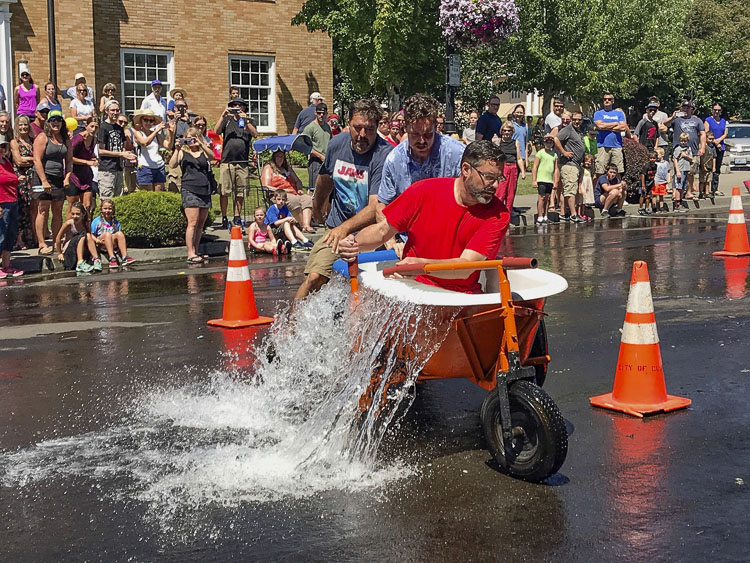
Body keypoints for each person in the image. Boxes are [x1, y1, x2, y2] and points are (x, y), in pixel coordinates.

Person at [338, 140, 510, 294]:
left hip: (461, 297)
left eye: (499, 178)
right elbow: (382, 231)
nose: (495, 185)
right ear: (466, 169)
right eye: (489, 177)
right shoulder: (422, 192)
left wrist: (420, 265)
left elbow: (466, 266)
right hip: (413, 287)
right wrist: (354, 244)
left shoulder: (498, 214)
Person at [294, 98, 393, 301]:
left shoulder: (384, 155)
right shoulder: (337, 144)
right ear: (348, 124)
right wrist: (317, 207)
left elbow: (375, 206)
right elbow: (324, 179)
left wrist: (345, 229)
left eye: (370, 129)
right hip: (337, 229)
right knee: (314, 277)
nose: (363, 135)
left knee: (366, 291)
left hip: (369, 234)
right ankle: (292, 328)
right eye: (358, 128)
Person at [168, 126, 214, 264]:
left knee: (201, 223)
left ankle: (196, 250)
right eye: (188, 138)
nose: (191, 141)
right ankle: (190, 253)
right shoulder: (183, 152)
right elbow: (172, 164)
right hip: (190, 188)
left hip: (204, 188)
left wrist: (202, 145)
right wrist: (176, 148)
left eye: (193, 138)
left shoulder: (203, 151)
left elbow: (212, 157)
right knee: (192, 222)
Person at [32, 110, 72, 254]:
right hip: (43, 177)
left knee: (57, 210)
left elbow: (69, 161)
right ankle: (42, 243)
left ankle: (56, 241)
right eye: (53, 120)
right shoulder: (42, 137)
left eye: (59, 120)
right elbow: (36, 159)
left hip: (58, 178)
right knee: (43, 210)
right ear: (48, 123)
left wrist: (67, 177)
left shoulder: (65, 139)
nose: (56, 123)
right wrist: (43, 180)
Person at [215, 97, 257, 229]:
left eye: (240, 106)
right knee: (224, 191)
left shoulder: (249, 121)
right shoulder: (227, 120)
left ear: (244, 108)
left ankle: (237, 216)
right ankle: (224, 217)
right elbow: (216, 131)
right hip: (227, 161)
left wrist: (245, 120)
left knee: (241, 192)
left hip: (242, 162)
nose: (237, 108)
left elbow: (255, 134)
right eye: (234, 105)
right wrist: (223, 115)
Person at [260, 149, 313, 232]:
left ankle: (307, 225)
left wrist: (299, 189)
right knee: (294, 200)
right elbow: (266, 186)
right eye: (278, 156)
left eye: (282, 157)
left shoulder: (287, 168)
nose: (280, 159)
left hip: (293, 192)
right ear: (274, 157)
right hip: (278, 194)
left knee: (307, 198)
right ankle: (302, 225)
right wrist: (283, 190)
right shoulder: (268, 168)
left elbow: (298, 181)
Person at [665, 99, 705, 202]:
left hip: (693, 150)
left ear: (692, 109)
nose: (686, 109)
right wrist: (673, 117)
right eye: (684, 107)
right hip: (679, 150)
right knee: (678, 172)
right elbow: (665, 124)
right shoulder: (677, 120)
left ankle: (688, 192)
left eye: (688, 107)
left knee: (690, 173)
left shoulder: (697, 120)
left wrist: (702, 147)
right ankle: (675, 192)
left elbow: (703, 133)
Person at [98, 100, 136, 199]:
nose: (115, 113)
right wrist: (120, 154)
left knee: (118, 200)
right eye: (112, 110)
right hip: (107, 169)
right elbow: (100, 151)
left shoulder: (119, 128)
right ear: (106, 111)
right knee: (107, 200)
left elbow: (122, 148)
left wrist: (128, 155)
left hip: (119, 169)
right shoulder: (103, 127)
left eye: (117, 110)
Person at [553, 111, 586, 222]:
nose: (577, 121)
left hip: (576, 165)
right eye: (575, 119)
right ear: (572, 119)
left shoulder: (578, 131)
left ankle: (563, 213)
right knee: (570, 190)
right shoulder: (568, 129)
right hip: (569, 164)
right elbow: (556, 139)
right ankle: (573, 214)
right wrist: (564, 152)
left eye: (579, 120)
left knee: (567, 189)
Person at [10, 116, 36, 248]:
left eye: (25, 125)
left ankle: (30, 238)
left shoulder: (33, 141)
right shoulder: (14, 142)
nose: (23, 127)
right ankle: (19, 240)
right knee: (22, 207)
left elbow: (40, 158)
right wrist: (33, 159)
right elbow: (18, 161)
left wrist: (30, 159)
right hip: (20, 178)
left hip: (33, 178)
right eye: (20, 125)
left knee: (32, 207)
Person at [0, 133, 23, 278]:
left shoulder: (6, 162)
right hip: (2, 203)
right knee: (0, 235)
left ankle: (6, 266)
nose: (1, 149)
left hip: (12, 201)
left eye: (3, 146)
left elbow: (10, 179)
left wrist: (18, 179)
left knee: (10, 234)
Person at [54, 201, 100, 272]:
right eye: (73, 214)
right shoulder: (69, 224)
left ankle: (96, 259)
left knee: (87, 235)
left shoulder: (86, 223)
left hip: (82, 248)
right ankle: (80, 263)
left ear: (83, 214)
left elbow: (90, 236)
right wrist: (59, 253)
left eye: (78, 214)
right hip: (70, 249)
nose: (75, 216)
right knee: (81, 236)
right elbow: (58, 238)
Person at [594, 93, 629, 183]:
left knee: (617, 171)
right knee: (600, 171)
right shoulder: (598, 113)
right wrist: (615, 123)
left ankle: (618, 192)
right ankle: (600, 191)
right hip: (602, 145)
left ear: (613, 101)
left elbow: (623, 127)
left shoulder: (619, 114)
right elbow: (599, 126)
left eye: (609, 99)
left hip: (616, 146)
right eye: (605, 99)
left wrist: (606, 126)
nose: (607, 101)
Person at [69, 117, 99, 218]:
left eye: (96, 127)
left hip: (86, 176)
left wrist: (94, 159)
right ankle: (69, 232)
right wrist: (86, 162)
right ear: (86, 126)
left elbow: (89, 155)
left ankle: (86, 230)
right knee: (72, 207)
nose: (94, 129)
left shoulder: (94, 139)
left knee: (87, 206)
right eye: (92, 126)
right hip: (73, 175)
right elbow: (69, 157)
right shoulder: (78, 139)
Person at [91, 199, 135, 268]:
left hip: (112, 244)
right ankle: (112, 258)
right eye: (105, 208)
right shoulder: (97, 221)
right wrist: (98, 241)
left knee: (119, 233)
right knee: (107, 234)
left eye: (110, 209)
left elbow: (117, 236)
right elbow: (92, 235)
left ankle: (125, 256)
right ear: (101, 210)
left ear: (113, 210)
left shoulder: (115, 222)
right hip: (101, 244)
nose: (107, 211)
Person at [132, 109, 168, 191]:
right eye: (146, 120)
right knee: (147, 194)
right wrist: (156, 131)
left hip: (158, 166)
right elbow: (144, 143)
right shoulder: (138, 133)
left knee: (159, 194)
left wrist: (171, 132)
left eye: (151, 120)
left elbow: (167, 146)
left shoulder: (156, 134)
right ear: (141, 121)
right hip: (145, 167)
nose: (148, 123)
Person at [495, 120, 526, 212]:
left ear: (512, 131)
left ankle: (508, 214)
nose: (507, 132)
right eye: (505, 130)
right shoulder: (498, 142)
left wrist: (523, 171)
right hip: (502, 168)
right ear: (501, 131)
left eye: (509, 130)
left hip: (513, 168)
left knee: (510, 194)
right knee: (500, 193)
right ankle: (498, 213)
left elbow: (519, 158)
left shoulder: (516, 142)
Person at [302, 102, 332, 195]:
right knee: (313, 188)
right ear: (315, 113)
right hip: (315, 161)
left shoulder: (327, 127)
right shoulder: (310, 128)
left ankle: (323, 209)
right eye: (319, 113)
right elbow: (305, 147)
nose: (321, 115)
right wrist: (319, 156)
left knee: (326, 187)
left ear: (327, 114)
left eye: (323, 113)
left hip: (327, 161)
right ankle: (310, 208)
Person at [531, 135, 558, 224]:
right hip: (541, 179)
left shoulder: (554, 155)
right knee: (541, 197)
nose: (549, 144)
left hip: (549, 180)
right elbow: (535, 166)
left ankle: (545, 215)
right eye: (547, 142)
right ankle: (539, 216)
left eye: (550, 143)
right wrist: (534, 180)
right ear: (544, 143)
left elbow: (555, 169)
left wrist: (555, 181)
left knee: (547, 198)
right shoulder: (540, 153)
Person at [704, 102, 727, 197]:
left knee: (717, 168)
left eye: (718, 110)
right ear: (712, 110)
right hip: (711, 147)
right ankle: (706, 190)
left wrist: (719, 141)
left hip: (720, 147)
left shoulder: (723, 121)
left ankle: (715, 188)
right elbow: (706, 133)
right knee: (709, 168)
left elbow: (725, 133)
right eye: (715, 110)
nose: (716, 112)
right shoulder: (708, 120)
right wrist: (714, 142)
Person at [672, 132, 693, 212]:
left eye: (685, 141)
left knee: (683, 188)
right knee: (679, 188)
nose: (683, 143)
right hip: (680, 170)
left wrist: (686, 156)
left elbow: (692, 159)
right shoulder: (678, 149)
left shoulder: (688, 149)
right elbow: (675, 160)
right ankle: (677, 205)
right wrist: (677, 171)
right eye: (681, 141)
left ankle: (680, 201)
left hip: (686, 169)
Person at [118, 114, 137, 194]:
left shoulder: (127, 132)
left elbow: (129, 147)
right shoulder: (109, 130)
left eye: (125, 122)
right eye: (120, 121)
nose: (123, 124)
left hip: (128, 162)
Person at [698, 132, 716, 201]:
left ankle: (707, 192)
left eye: (712, 139)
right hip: (703, 167)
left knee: (708, 180)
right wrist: (703, 166)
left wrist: (714, 167)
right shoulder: (703, 147)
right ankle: (701, 192)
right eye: (710, 139)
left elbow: (714, 157)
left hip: (710, 167)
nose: (711, 140)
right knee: (702, 180)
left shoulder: (712, 147)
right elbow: (701, 158)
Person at [639, 151, 658, 216]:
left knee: (648, 196)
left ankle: (647, 208)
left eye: (653, 158)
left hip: (651, 183)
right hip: (645, 183)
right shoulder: (646, 166)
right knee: (643, 195)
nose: (652, 159)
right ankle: (640, 208)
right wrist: (643, 185)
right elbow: (643, 175)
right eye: (650, 158)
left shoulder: (656, 166)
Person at [653, 147, 670, 213]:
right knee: (654, 195)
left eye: (657, 154)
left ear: (662, 154)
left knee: (661, 195)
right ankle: (654, 207)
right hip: (656, 181)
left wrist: (668, 180)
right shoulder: (655, 163)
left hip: (663, 182)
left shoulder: (666, 163)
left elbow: (668, 171)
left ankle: (661, 207)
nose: (656, 156)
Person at [579, 154, 595, 221]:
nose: (588, 163)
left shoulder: (590, 170)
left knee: (584, 201)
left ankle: (583, 213)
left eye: (589, 162)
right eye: (586, 161)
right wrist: (579, 187)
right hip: (583, 185)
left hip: (588, 186)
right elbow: (580, 179)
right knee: (580, 201)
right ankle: (579, 214)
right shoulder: (582, 169)